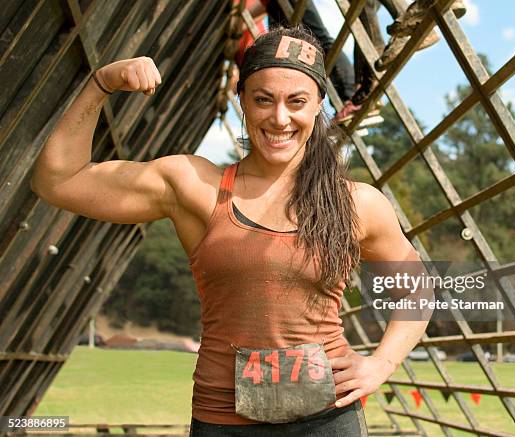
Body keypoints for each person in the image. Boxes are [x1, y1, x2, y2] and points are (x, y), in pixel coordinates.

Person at [30, 26, 430, 436]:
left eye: (297, 102)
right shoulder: (193, 187)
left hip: (328, 419)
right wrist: (103, 83)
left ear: (318, 106)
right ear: (241, 101)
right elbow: (58, 180)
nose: (279, 118)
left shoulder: (356, 203)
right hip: (222, 421)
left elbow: (417, 287)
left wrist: (380, 363)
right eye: (263, 100)